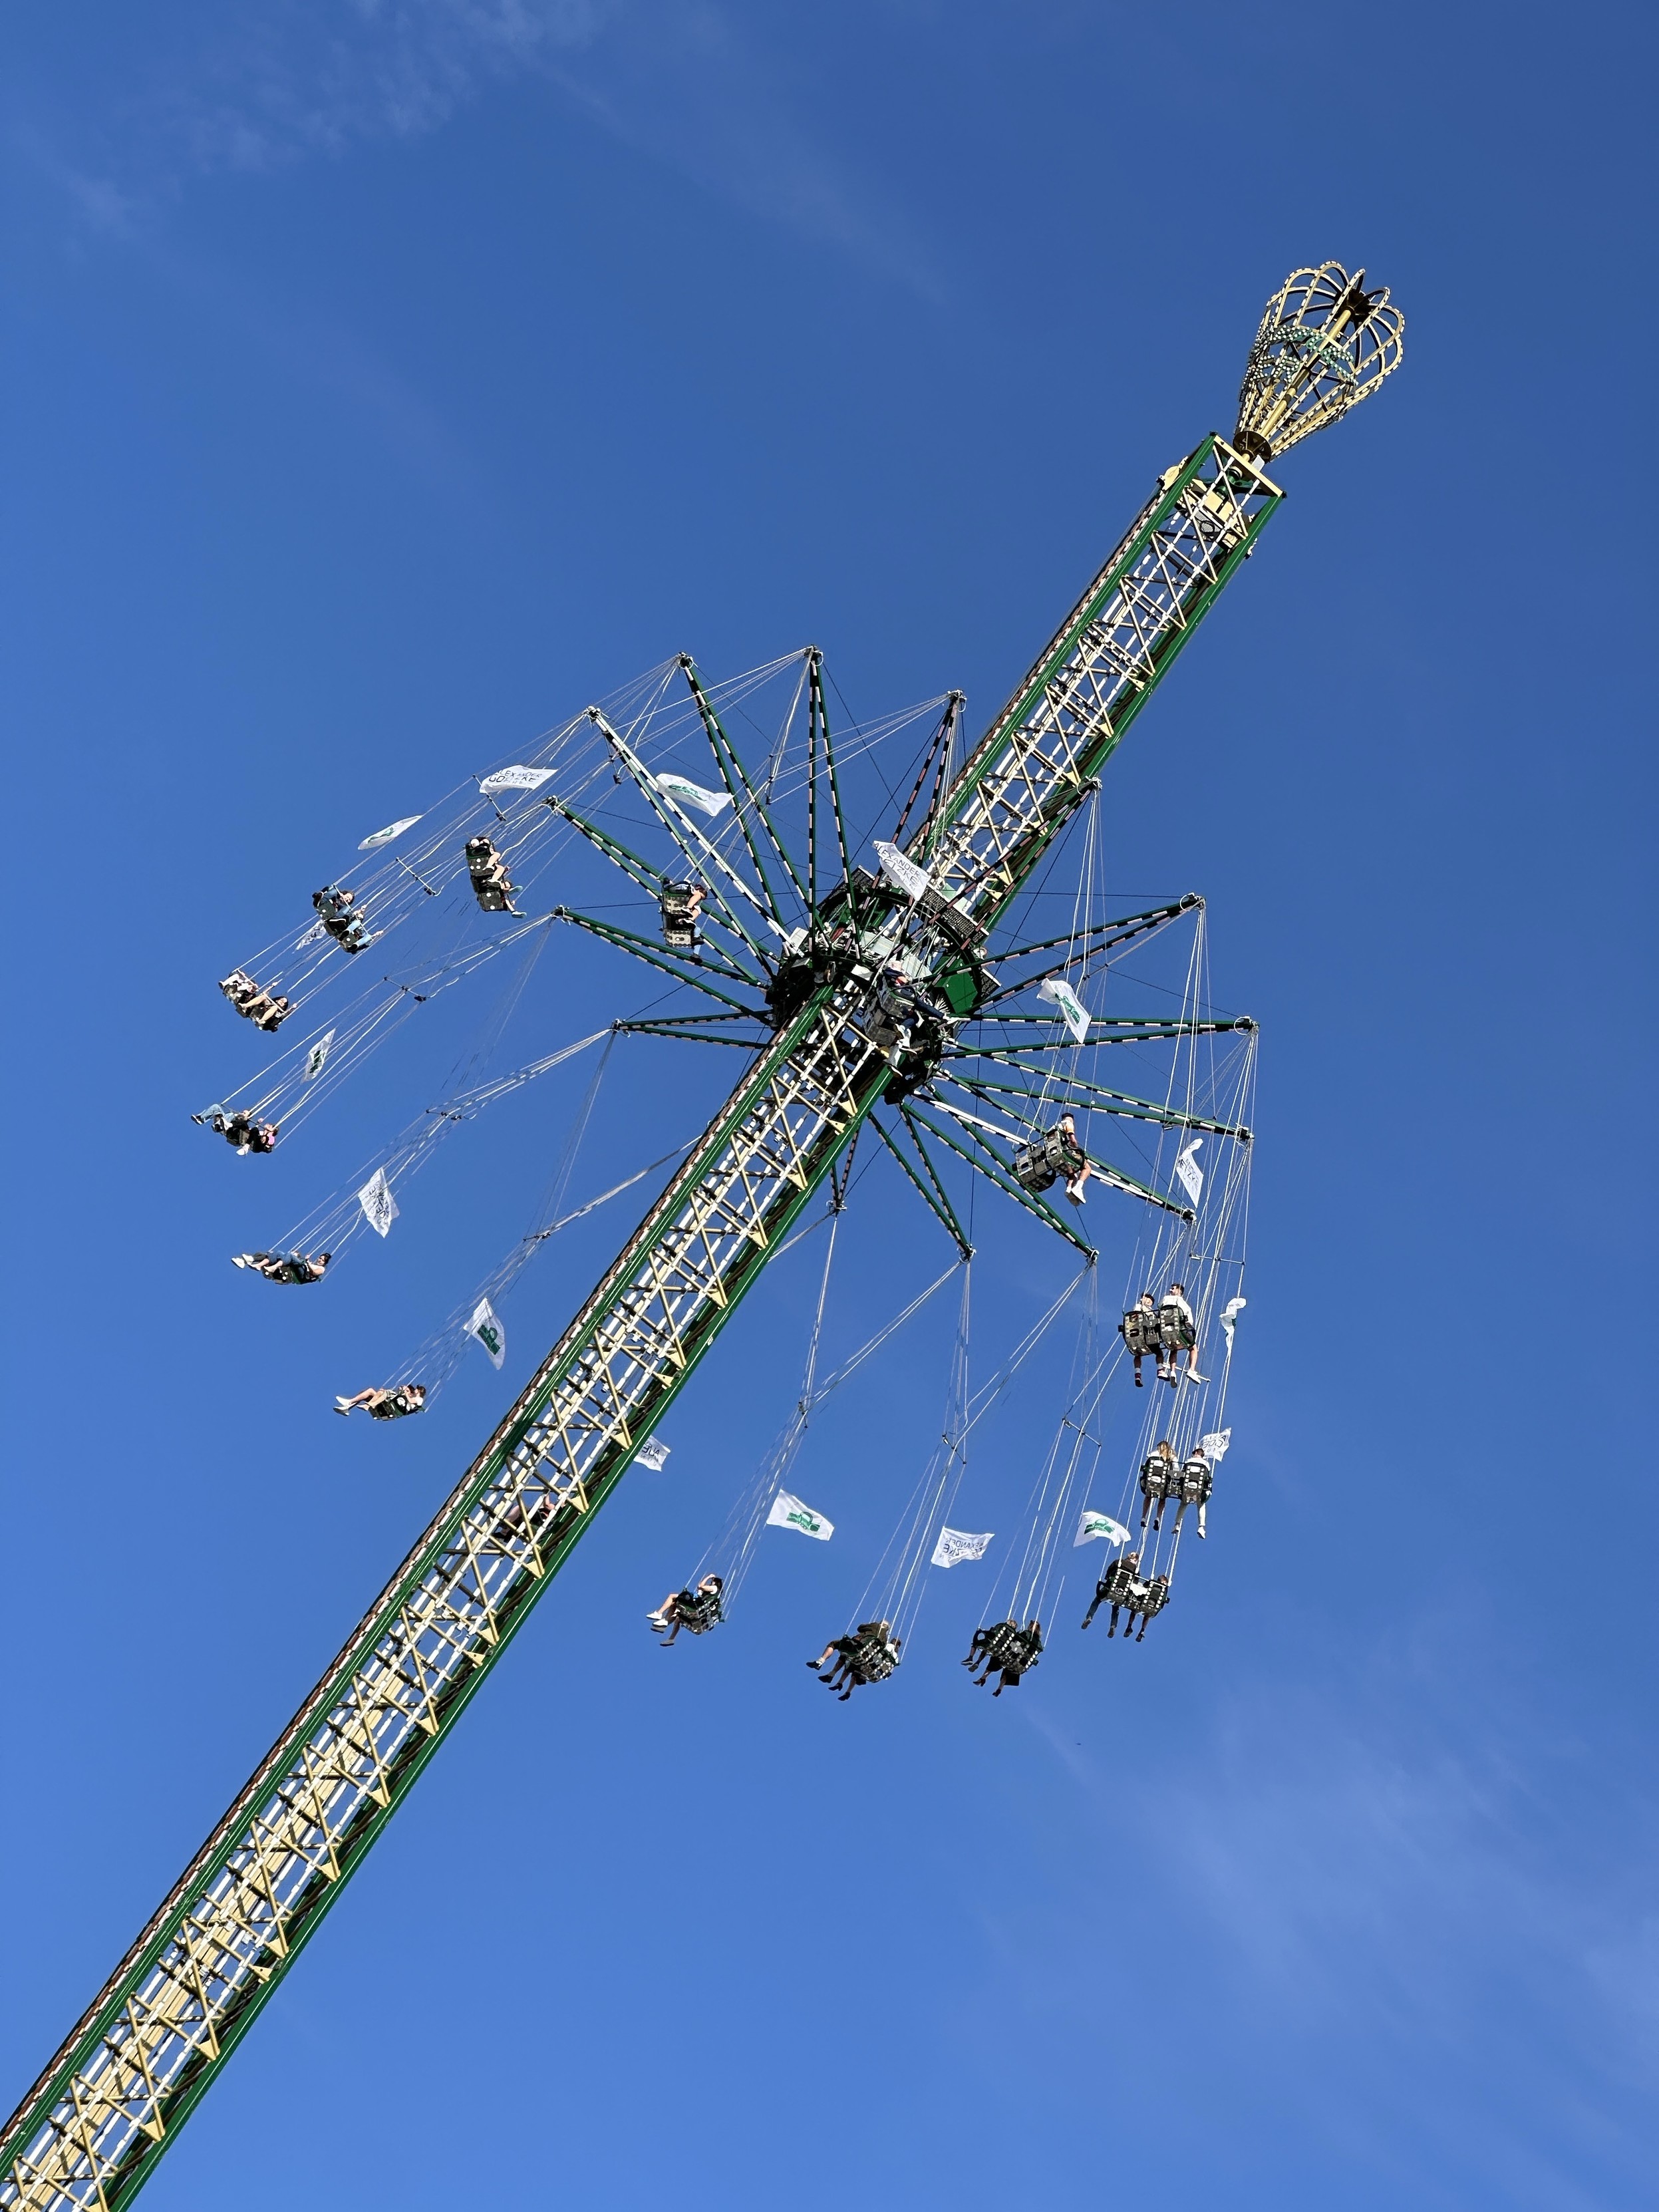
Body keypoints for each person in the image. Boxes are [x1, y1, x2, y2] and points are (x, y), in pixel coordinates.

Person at [808, 1619, 899, 1699]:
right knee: (851, 1662)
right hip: (866, 1658)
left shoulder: (876, 1626)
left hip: (858, 1648)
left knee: (834, 1644)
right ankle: (839, 1682)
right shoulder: (885, 1639)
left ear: (881, 1623)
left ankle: (821, 1662)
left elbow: (860, 1628)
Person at [647, 1573, 725, 1645]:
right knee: (678, 1616)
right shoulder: (714, 1595)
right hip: (699, 1611)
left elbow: (701, 1586)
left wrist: (708, 1577)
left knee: (672, 1596)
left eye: (712, 1582)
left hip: (695, 1607)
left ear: (715, 1583)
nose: (711, 1583)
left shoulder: (714, 1588)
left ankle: (659, 1614)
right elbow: (700, 1593)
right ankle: (670, 1638)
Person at [1082, 1549, 1143, 1635]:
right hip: (1123, 1593)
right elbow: (1135, 1582)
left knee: (1097, 1600)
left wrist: (1108, 1579)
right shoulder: (1135, 1569)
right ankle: (1113, 1626)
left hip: (1111, 1588)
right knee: (1116, 1605)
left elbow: (1109, 1571)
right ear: (1135, 1560)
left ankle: (1089, 1617)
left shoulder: (1118, 1562)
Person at [1157, 1282, 1204, 1384]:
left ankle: (1173, 1372)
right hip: (1179, 1330)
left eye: (1173, 1289)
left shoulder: (1165, 1299)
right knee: (1194, 1348)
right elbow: (1189, 1323)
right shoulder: (1184, 1304)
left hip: (1164, 1330)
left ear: (1179, 1291)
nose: (1170, 1290)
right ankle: (1192, 1370)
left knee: (1173, 1348)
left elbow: (1160, 1308)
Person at [220, 970, 294, 1032]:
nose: (282, 1001)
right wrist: (271, 986)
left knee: (274, 1007)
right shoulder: (267, 1002)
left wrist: (292, 1009)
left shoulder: (277, 1012)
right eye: (281, 999)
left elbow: (284, 1015)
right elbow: (264, 994)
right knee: (263, 997)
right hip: (242, 998)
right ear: (277, 999)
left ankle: (261, 1020)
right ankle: (225, 985)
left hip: (262, 1018)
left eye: (284, 1002)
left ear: (284, 1006)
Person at [466, 836, 519, 914]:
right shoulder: (481, 849)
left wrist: (510, 905)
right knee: (498, 859)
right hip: (484, 874)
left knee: (502, 891)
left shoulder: (497, 887)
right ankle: (490, 870)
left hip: (486, 884)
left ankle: (513, 911)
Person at [196, 1106, 278, 1154]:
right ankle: (201, 1118)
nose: (242, 1112)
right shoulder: (236, 1117)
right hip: (230, 1129)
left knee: (244, 1123)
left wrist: (257, 1125)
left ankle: (223, 1126)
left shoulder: (270, 1138)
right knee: (216, 1107)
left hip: (236, 1134)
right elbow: (253, 1131)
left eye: (270, 1126)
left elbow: (259, 1137)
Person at [1138, 1439, 1181, 1531]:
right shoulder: (1171, 1457)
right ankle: (1158, 1517)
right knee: (1162, 1498)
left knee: (1148, 1495)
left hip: (1150, 1481)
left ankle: (1144, 1517)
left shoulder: (1152, 1455)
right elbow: (1176, 1471)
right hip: (1163, 1484)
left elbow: (1145, 1467)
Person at [1173, 1450, 1213, 1538]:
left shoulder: (1188, 1461)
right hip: (1199, 1489)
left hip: (1186, 1488)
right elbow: (1206, 1479)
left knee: (1183, 1503)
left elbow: (1181, 1475)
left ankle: (1177, 1524)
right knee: (1201, 1504)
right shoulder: (1206, 1464)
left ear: (1196, 1453)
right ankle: (1201, 1527)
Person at [1120, 1291, 1158, 1384]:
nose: (1144, 1300)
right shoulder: (1140, 1307)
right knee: (1158, 1352)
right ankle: (1160, 1369)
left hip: (1138, 1332)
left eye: (1148, 1299)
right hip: (1143, 1331)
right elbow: (1136, 1316)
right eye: (1145, 1298)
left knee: (1138, 1353)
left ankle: (1138, 1374)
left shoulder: (1151, 1311)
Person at [232, 1249, 331, 1285]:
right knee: (278, 1253)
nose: (320, 1260)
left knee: (290, 1256)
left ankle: (272, 1267)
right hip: (299, 1268)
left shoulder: (322, 1269)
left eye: (322, 1260)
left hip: (302, 1275)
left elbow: (314, 1272)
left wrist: (307, 1262)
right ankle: (248, 1261)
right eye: (320, 1258)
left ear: (324, 1263)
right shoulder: (311, 1262)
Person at [335, 1384, 427, 1421]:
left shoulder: (419, 1400)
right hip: (387, 1405)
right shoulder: (402, 1396)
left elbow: (410, 1401)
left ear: (419, 1391)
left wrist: (405, 1393)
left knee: (386, 1392)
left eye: (415, 1390)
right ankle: (347, 1406)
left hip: (393, 1409)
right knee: (369, 1391)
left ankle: (368, 1406)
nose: (414, 1390)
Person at [1056, 1113, 1093, 1205]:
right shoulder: (1068, 1124)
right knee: (1087, 1168)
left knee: (1072, 1175)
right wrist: (1077, 1150)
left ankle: (1069, 1189)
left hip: (1057, 1153)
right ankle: (1078, 1188)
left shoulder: (1056, 1127)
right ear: (1071, 1119)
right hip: (1066, 1151)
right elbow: (1073, 1140)